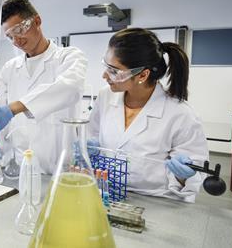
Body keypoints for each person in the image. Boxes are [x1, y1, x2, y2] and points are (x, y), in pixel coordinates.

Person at [88, 28, 208, 202]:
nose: (104, 75)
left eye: (114, 71)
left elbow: (193, 176)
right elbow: (92, 135)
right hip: (107, 193)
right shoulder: (105, 96)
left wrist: (184, 175)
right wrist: (89, 148)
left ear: (142, 75)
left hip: (156, 202)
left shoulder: (180, 114)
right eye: (106, 66)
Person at [0, 0, 88, 174]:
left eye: (20, 30)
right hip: (20, 169)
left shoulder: (69, 57)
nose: (17, 41)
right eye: (10, 36)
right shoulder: (9, 69)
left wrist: (15, 107)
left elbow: (70, 88)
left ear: (37, 21)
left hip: (59, 170)